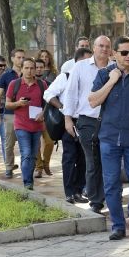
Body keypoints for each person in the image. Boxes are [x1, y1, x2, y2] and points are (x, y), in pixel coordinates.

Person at [90, 36, 129, 239]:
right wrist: (112, 80)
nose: (128, 56)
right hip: (108, 138)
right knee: (111, 184)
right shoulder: (103, 74)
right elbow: (92, 101)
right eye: (123, 52)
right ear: (114, 54)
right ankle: (118, 225)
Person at [63, 36, 111, 213]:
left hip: (109, 122)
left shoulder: (114, 68)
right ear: (94, 47)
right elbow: (70, 94)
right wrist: (68, 118)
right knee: (92, 161)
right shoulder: (80, 67)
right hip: (87, 122)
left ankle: (106, 195)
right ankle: (95, 200)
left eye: (107, 46)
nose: (104, 49)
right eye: (100, 46)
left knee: (107, 160)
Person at [44, 47, 92, 204]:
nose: (89, 64)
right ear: (77, 62)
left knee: (83, 158)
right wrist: (62, 107)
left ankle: (79, 190)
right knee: (70, 157)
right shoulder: (65, 77)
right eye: (86, 61)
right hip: (69, 121)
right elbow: (48, 94)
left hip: (86, 122)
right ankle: (69, 192)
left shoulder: (93, 77)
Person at [5, 58, 47, 190]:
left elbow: (47, 104)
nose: (29, 71)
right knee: (26, 153)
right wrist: (18, 103)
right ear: (21, 69)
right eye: (26, 68)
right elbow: (7, 104)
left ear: (35, 70)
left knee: (33, 155)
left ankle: (28, 180)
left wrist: (43, 114)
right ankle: (27, 182)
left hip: (37, 125)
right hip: (21, 125)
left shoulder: (42, 84)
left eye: (32, 68)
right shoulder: (14, 84)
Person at [0, 48, 25, 178]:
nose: (21, 60)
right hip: (10, 114)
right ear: (12, 58)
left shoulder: (29, 74)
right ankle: (8, 167)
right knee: (9, 143)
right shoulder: (6, 75)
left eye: (23, 57)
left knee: (26, 143)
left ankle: (26, 168)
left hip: (26, 114)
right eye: (18, 57)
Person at [32, 58, 55, 179]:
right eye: (37, 67)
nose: (39, 69)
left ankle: (46, 164)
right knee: (35, 144)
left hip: (45, 117)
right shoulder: (27, 82)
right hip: (32, 117)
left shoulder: (47, 83)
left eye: (42, 67)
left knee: (50, 142)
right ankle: (38, 167)